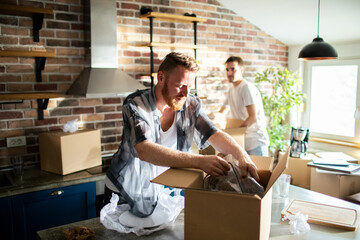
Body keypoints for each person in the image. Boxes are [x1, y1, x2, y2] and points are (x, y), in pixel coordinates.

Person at [104, 52, 259, 218]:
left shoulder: (190, 104)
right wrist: (199, 162)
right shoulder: (136, 104)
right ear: (161, 78)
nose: (185, 93)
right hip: (123, 191)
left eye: (190, 87)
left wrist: (241, 154)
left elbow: (213, 133)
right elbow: (144, 149)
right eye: (180, 85)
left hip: (158, 188)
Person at [218, 56, 269, 156]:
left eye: (233, 69)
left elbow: (252, 118)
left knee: (261, 172)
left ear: (242, 70)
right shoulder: (231, 90)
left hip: (255, 141)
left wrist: (234, 132)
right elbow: (221, 112)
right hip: (242, 141)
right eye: (227, 69)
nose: (229, 73)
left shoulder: (246, 88)